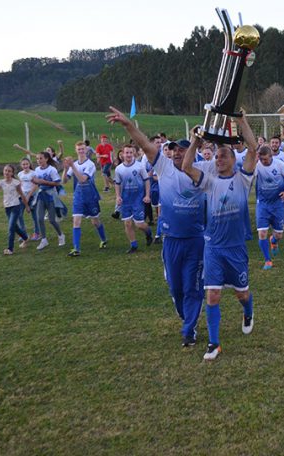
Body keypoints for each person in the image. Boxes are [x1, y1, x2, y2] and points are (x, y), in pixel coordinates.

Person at [107, 106, 207, 348]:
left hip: (195, 240)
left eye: (182, 149)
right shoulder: (162, 167)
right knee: (176, 286)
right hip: (171, 240)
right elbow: (144, 144)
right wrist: (128, 125)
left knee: (193, 286)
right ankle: (187, 318)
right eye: (173, 149)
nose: (175, 153)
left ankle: (189, 329)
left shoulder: (201, 171)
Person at [181, 113, 257, 361]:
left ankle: (248, 311)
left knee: (241, 293)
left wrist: (242, 120)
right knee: (212, 295)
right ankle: (214, 343)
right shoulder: (209, 181)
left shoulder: (243, 179)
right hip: (213, 246)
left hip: (236, 248)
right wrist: (194, 141)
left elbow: (254, 149)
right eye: (217, 155)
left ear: (235, 160)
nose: (219, 158)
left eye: (224, 155)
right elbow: (186, 167)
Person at [62, 142, 108, 257]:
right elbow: (64, 181)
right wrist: (65, 169)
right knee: (76, 221)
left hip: (90, 196)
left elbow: (82, 179)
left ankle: (103, 239)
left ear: (86, 150)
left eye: (83, 149)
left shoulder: (90, 164)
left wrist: (72, 166)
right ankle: (76, 249)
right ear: (76, 150)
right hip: (78, 197)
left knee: (95, 221)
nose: (81, 151)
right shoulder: (75, 164)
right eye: (79, 149)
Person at [254, 146, 284, 270]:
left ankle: (274, 241)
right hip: (263, 203)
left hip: (277, 203)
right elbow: (248, 174)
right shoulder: (257, 165)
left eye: (265, 159)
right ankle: (267, 260)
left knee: (279, 234)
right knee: (262, 232)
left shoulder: (279, 164)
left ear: (271, 156)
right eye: (261, 159)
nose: (263, 161)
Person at [114, 144, 153, 253]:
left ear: (134, 153)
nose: (129, 155)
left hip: (138, 199)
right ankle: (133, 245)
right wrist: (117, 196)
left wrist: (147, 195)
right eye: (127, 152)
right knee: (127, 223)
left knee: (139, 224)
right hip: (126, 200)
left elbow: (147, 180)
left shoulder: (140, 166)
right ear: (122, 154)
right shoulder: (119, 169)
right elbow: (117, 183)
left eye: (131, 152)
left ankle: (148, 233)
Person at [0, 164, 30, 255]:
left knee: (11, 227)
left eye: (9, 171)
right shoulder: (0, 182)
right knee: (15, 227)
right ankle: (26, 238)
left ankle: (10, 249)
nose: (7, 172)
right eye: (5, 170)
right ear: (3, 171)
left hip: (16, 206)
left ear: (12, 173)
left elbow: (22, 195)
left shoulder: (16, 183)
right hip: (7, 208)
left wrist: (26, 206)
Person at [32, 151, 66, 250]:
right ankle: (44, 240)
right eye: (37, 159)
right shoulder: (37, 169)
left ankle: (61, 235)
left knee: (51, 220)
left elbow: (57, 183)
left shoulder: (52, 169)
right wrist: (34, 182)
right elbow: (37, 183)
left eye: (41, 158)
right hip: (41, 195)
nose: (38, 160)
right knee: (39, 218)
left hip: (51, 196)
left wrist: (44, 182)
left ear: (46, 159)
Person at [18, 157, 40, 240]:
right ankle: (23, 234)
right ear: (21, 165)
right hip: (22, 197)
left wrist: (28, 196)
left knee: (34, 216)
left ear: (29, 164)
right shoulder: (20, 174)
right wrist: (21, 195)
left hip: (32, 197)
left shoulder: (33, 173)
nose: (25, 165)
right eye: (23, 164)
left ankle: (37, 233)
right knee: (19, 215)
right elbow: (20, 185)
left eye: (26, 164)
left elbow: (35, 185)